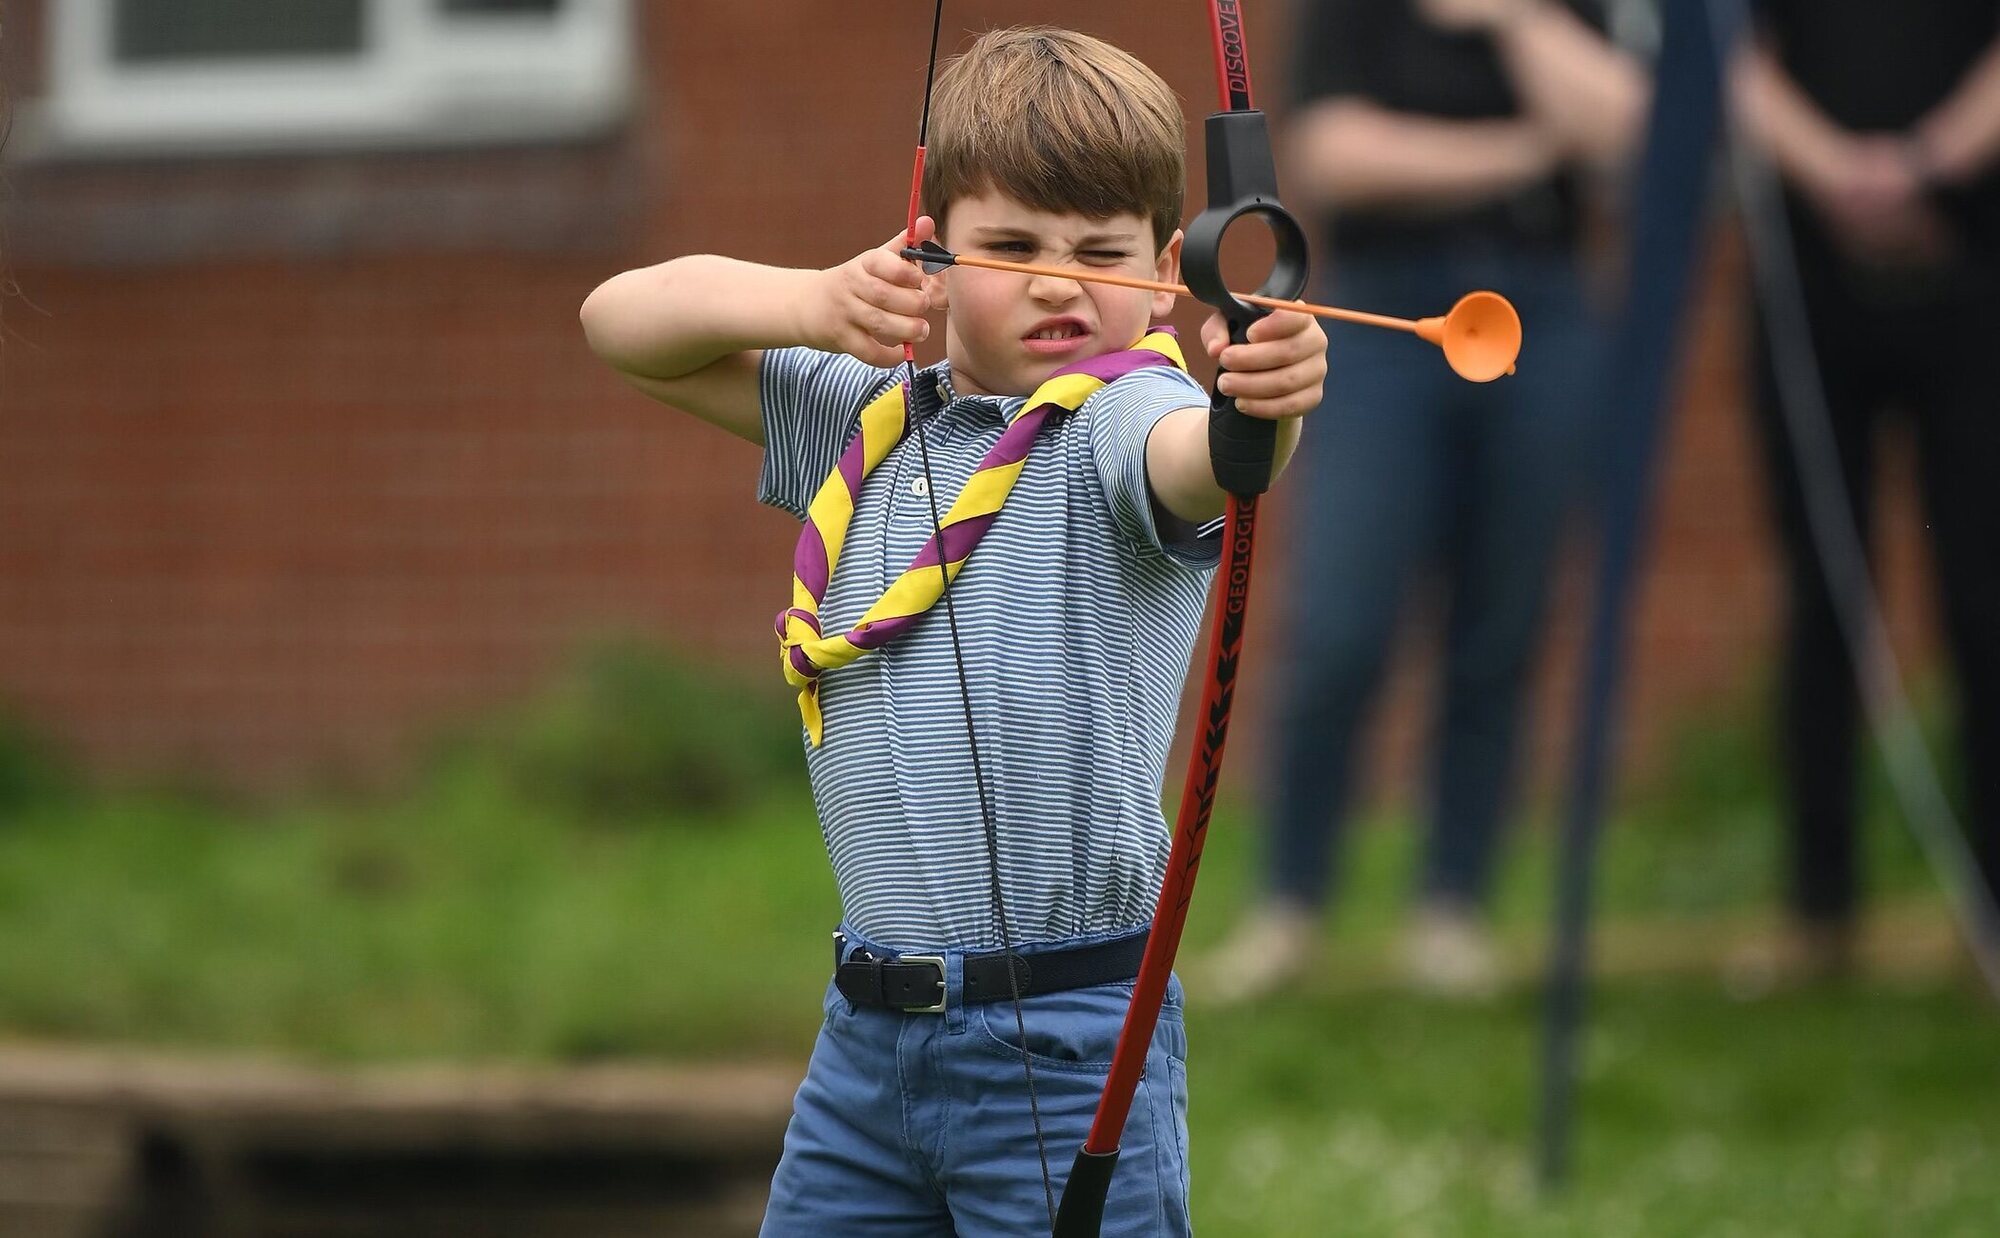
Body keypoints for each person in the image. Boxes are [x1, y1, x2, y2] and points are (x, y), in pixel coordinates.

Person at [580, 27, 1328, 1236]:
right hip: (866, 1044)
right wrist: (815, 303)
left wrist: (1262, 396)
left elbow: (1207, 464)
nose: (1056, 282)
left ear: (1165, 267)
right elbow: (620, 321)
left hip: (1064, 1036)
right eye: (1012, 246)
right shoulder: (868, 417)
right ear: (929, 250)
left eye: (1103, 253)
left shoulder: (1122, 414)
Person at [1198, 0, 1646, 1002]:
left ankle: (1451, 906)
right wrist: (1529, 147)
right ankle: (1289, 903)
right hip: (1386, 315)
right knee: (1339, 624)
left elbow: (1624, 126)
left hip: (1547, 315)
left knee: (1501, 621)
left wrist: (1519, 19)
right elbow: (1335, 153)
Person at [1732, 3, 2000, 981]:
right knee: (1821, 597)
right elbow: (1725, 53)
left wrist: (1923, 163)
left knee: (1983, 598)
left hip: (1972, 269)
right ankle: (1817, 908)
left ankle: (1989, 913)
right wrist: (1836, 171)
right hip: (1809, 285)